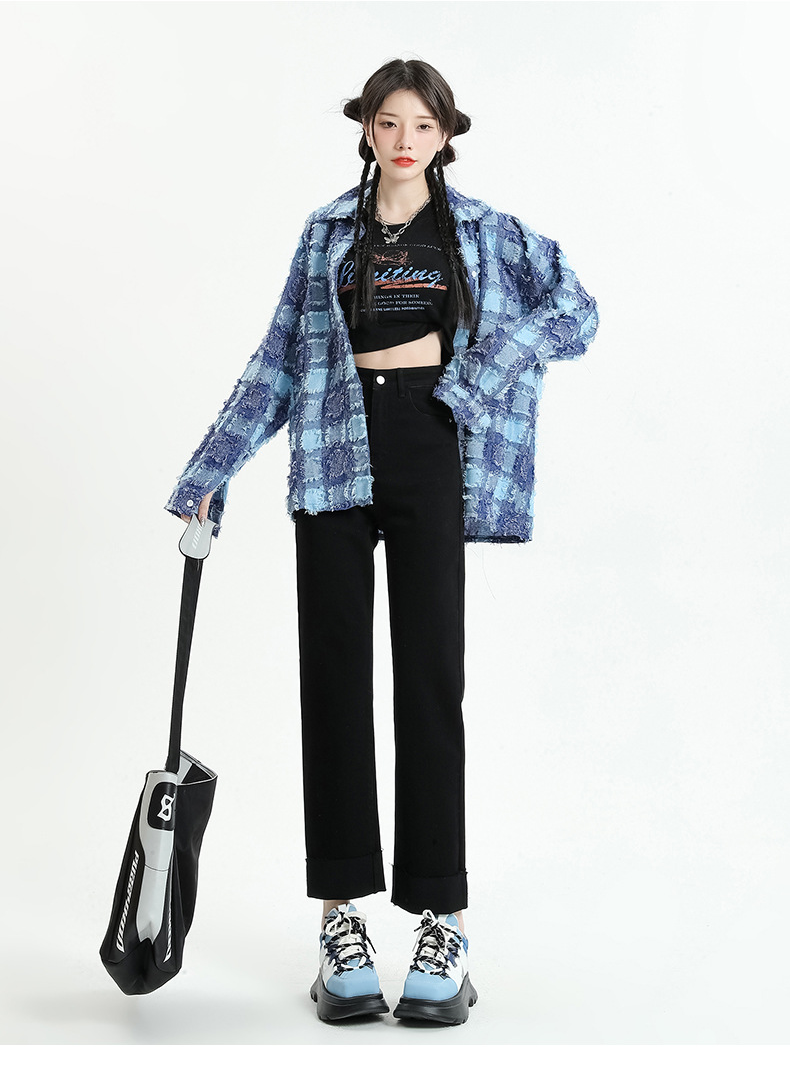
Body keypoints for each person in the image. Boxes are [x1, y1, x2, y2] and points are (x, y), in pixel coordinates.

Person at [165, 57, 599, 1026]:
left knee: (430, 680)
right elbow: (278, 361)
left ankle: (443, 920)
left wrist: (475, 378)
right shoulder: (327, 231)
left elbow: (575, 311)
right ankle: (341, 924)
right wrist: (210, 472)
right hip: (332, 449)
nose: (406, 141)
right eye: (390, 122)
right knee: (333, 682)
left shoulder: (485, 232)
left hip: (429, 443)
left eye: (424, 126)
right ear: (366, 128)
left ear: (446, 136)